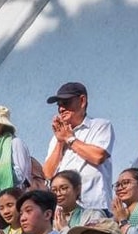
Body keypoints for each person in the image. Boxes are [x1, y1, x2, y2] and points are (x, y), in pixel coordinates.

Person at [41, 81, 116, 213]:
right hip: (64, 211)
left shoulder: (100, 126)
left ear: (82, 101)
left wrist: (70, 139)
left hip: (94, 206)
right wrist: (60, 141)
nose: (61, 109)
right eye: (59, 105)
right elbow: (47, 174)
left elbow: (98, 156)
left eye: (66, 103)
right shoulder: (56, 139)